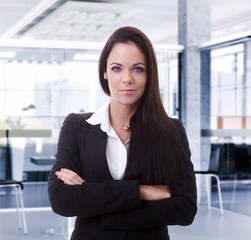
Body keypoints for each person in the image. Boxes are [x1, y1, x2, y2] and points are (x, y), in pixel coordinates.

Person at [48, 26, 197, 240]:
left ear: (149, 74)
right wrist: (141, 192)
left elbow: (185, 208)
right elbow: (61, 199)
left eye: (137, 69)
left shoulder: (170, 130)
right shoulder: (77, 126)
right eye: (117, 68)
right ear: (105, 72)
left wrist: (93, 197)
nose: (127, 78)